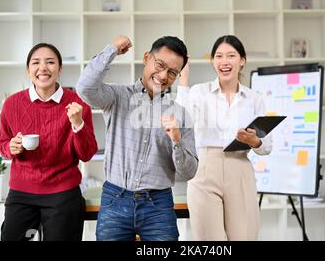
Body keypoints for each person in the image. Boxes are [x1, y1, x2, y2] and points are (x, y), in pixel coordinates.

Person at [76, 35, 198, 241]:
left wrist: (176, 141)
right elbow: (85, 88)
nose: (163, 75)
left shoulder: (180, 115)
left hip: (158, 205)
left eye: (172, 72)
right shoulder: (117, 96)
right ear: (146, 58)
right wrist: (112, 49)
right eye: (159, 65)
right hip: (115, 200)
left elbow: (189, 172)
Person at [176, 35, 273, 241]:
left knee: (244, 236)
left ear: (242, 60)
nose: (224, 61)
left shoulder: (254, 99)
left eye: (231, 55)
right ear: (213, 61)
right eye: (218, 56)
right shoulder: (198, 92)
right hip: (203, 168)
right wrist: (183, 81)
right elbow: (180, 121)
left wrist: (253, 141)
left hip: (240, 169)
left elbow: (266, 147)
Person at [0, 43, 98, 241]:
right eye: (36, 63)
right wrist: (11, 147)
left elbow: (87, 154)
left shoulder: (78, 105)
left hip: (63, 194)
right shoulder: (11, 104)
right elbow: (2, 144)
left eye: (50, 62)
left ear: (59, 69)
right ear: (28, 70)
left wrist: (77, 124)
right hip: (22, 193)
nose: (43, 68)